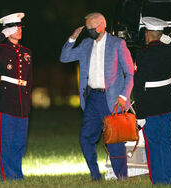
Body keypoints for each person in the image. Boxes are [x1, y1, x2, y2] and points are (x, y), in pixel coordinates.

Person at [60, 12, 134, 180]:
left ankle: (122, 177)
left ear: (101, 26)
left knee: (114, 140)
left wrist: (124, 97)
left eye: (90, 28)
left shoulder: (117, 44)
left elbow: (130, 74)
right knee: (85, 138)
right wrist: (73, 37)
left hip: (113, 99)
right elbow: (64, 58)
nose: (88, 31)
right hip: (92, 98)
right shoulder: (86, 43)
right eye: (86, 28)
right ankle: (95, 176)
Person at [133, 17, 171, 185]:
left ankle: (159, 181)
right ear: (161, 35)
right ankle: (169, 180)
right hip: (167, 102)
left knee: (153, 144)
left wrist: (140, 114)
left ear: (149, 34)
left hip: (150, 105)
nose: (145, 36)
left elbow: (139, 85)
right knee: (166, 142)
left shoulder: (143, 54)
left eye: (146, 33)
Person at [0, 12, 32, 181]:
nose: (19, 30)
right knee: (7, 141)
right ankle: (7, 176)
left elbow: (29, 78)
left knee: (20, 142)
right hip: (6, 100)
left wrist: (28, 100)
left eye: (20, 27)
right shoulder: (0, 49)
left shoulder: (26, 52)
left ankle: (17, 174)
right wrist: (3, 35)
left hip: (22, 101)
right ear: (8, 30)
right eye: (15, 27)